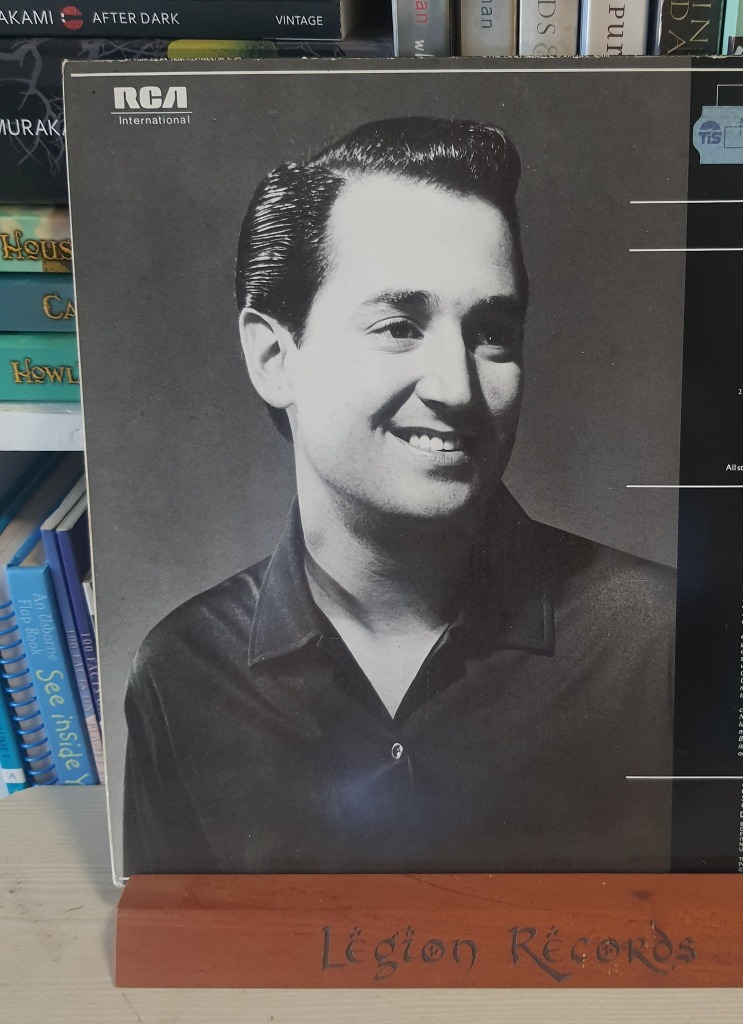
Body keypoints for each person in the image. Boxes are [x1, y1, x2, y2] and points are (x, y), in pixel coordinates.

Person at [122, 116, 676, 875]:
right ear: (274, 356)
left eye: (492, 333)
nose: (458, 387)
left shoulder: (657, 643)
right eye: (398, 326)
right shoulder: (183, 669)